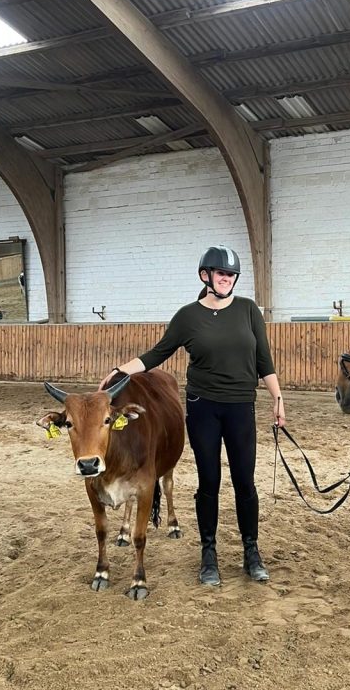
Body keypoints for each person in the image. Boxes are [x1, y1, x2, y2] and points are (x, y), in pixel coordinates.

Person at [99, 245, 285, 587]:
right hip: (204, 408)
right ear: (206, 276)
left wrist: (277, 396)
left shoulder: (248, 311)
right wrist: (118, 372)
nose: (227, 279)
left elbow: (264, 361)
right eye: (221, 274)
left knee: (245, 482)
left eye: (231, 275)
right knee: (209, 482)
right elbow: (157, 354)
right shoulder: (187, 316)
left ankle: (251, 552)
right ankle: (208, 555)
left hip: (241, 406)